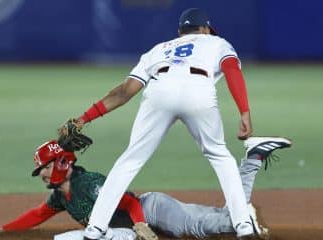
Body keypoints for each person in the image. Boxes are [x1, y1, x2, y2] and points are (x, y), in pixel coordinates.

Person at [65, 8, 255, 239]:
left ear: (179, 32)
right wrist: (244, 112)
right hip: (198, 90)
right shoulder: (217, 43)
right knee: (220, 156)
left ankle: (95, 228)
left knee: (130, 159)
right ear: (205, 29)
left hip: (159, 90)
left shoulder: (158, 49)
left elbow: (124, 92)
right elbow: (231, 70)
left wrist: (84, 117)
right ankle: (243, 225)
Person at [0, 136, 292, 240]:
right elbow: (37, 215)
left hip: (152, 210)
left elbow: (127, 201)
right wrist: (2, 230)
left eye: (45, 168)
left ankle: (253, 157)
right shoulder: (62, 196)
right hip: (133, 228)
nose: (43, 175)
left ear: (61, 164)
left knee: (218, 224)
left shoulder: (88, 183)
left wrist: (141, 222)